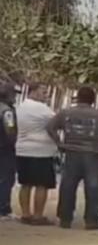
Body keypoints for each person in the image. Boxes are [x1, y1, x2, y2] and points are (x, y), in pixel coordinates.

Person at [47, 86, 98, 230]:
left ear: (78, 98)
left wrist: (59, 143)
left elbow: (50, 127)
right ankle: (91, 220)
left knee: (68, 186)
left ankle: (65, 219)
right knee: (93, 187)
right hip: (92, 154)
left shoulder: (66, 113)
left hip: (71, 153)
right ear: (93, 99)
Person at [14, 82, 58, 225]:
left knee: (25, 183)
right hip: (41, 151)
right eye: (43, 91)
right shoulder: (42, 109)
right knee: (42, 184)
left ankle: (26, 214)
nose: (46, 94)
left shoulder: (20, 107)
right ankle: (38, 215)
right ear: (33, 91)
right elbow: (58, 122)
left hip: (22, 149)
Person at [0, 81, 17, 221]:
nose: (15, 98)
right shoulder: (6, 111)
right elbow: (10, 130)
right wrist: (13, 142)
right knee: (6, 178)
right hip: (4, 149)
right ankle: (3, 209)